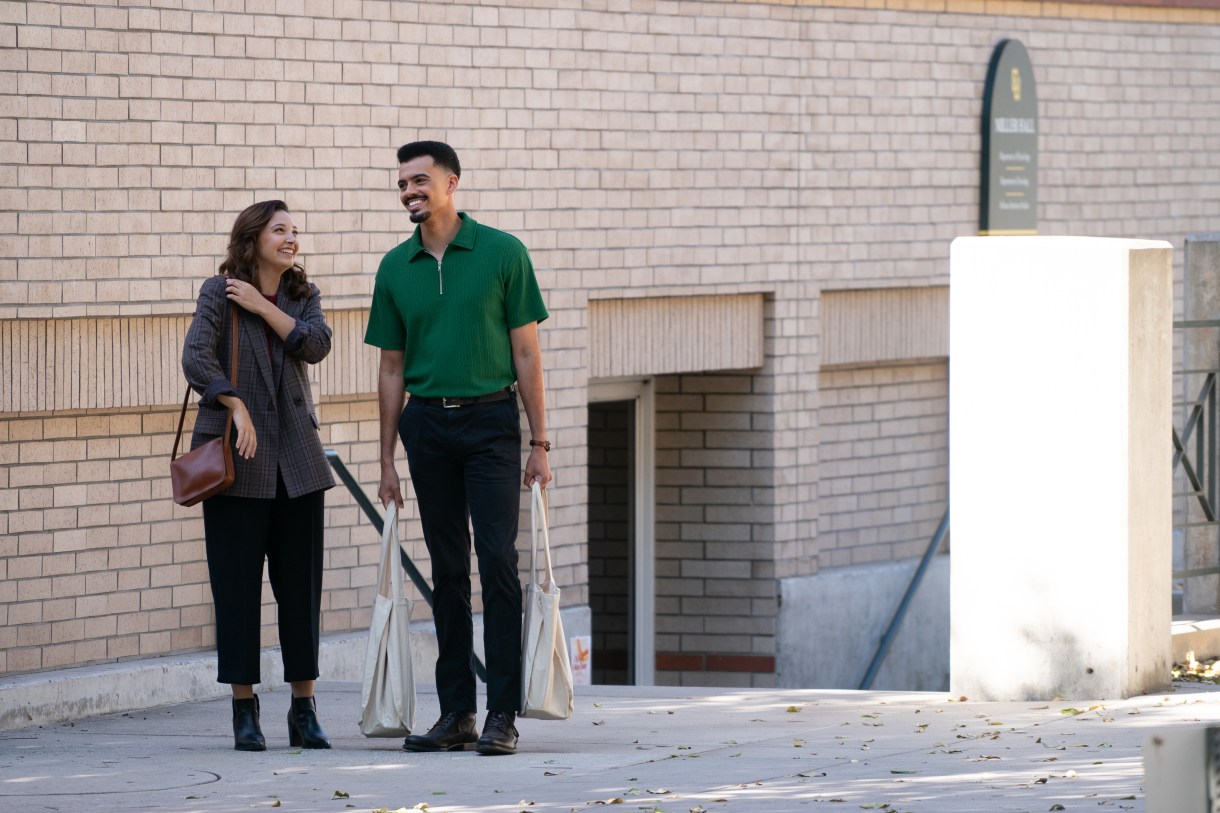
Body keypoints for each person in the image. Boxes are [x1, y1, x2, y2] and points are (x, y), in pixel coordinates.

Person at [365, 141, 552, 756]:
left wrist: (540, 442)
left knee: (497, 562)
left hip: (493, 422)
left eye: (419, 181)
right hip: (428, 429)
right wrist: (387, 456)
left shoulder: (502, 253)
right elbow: (391, 368)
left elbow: (527, 353)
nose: (409, 192)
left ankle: (502, 712)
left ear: (452, 183)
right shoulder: (396, 268)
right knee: (447, 569)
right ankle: (456, 714)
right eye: (401, 185)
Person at [182, 200, 336, 751]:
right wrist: (234, 403)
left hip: (296, 462)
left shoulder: (302, 296)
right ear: (254, 237)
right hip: (236, 461)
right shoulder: (217, 293)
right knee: (236, 590)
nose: (292, 238)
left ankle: (304, 709)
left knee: (301, 592)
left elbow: (315, 345)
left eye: (295, 230)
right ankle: (243, 709)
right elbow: (196, 357)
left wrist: (263, 306)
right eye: (280, 230)